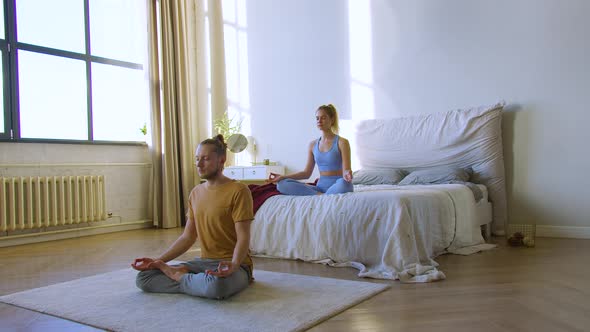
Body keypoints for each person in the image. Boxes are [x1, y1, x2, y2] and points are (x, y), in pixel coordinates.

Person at [132, 134, 254, 300]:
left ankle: (184, 278)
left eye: (205, 159)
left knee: (217, 286)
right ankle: (193, 282)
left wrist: (234, 265)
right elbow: (188, 237)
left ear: (221, 160)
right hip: (204, 263)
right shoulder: (196, 193)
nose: (198, 163)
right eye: (197, 158)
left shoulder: (239, 191)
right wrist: (157, 261)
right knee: (144, 278)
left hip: (236, 266)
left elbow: (243, 236)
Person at [268, 104, 354, 195]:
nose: (319, 121)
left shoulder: (342, 142)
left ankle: (319, 195)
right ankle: (320, 195)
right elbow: (306, 173)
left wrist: (347, 174)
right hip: (319, 188)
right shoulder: (312, 145)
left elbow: (346, 170)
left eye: (323, 118)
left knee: (345, 184)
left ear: (332, 119)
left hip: (337, 186)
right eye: (317, 118)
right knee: (282, 184)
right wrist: (283, 177)